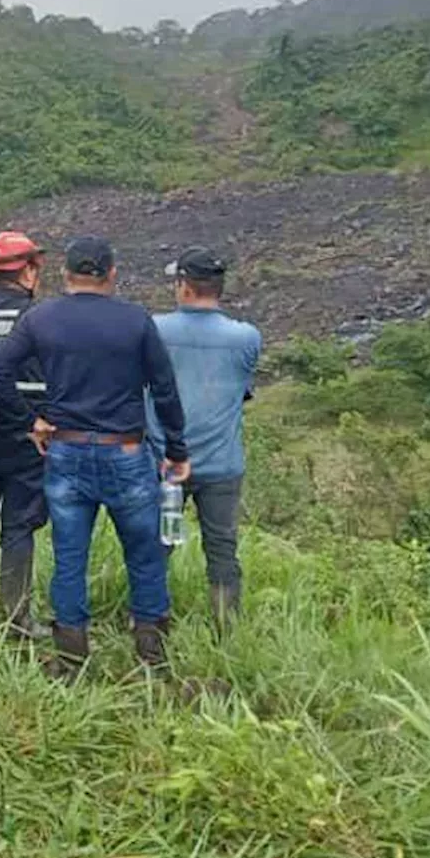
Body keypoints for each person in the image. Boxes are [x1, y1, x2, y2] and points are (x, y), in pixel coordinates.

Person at [0, 236, 190, 679]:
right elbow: (165, 389)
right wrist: (177, 450)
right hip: (126, 451)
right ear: (112, 273)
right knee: (144, 553)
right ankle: (152, 657)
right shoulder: (135, 321)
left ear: (65, 273)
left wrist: (31, 420)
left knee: (69, 555)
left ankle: (72, 659)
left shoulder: (41, 318)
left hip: (65, 449)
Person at [147, 248, 261, 626]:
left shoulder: (153, 330)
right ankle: (226, 631)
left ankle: (150, 627)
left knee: (155, 549)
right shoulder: (246, 338)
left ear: (183, 286)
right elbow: (241, 392)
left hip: (163, 463)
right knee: (223, 550)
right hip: (222, 464)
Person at [0, 231, 51, 638]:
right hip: (28, 439)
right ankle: (17, 619)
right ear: (28, 271)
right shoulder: (42, 318)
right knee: (19, 527)